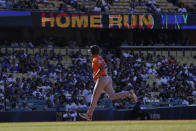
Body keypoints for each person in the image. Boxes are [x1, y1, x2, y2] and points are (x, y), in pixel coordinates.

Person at [79, 45, 138, 121]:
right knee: (112, 96)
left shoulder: (95, 59)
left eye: (90, 51)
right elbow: (104, 67)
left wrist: (96, 75)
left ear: (93, 52)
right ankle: (129, 93)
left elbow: (102, 68)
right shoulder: (100, 58)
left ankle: (89, 114)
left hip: (102, 78)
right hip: (107, 77)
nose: (90, 53)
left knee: (94, 96)